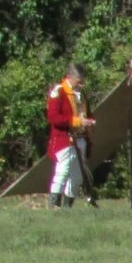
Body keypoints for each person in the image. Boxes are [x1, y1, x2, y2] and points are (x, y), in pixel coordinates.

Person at [45, 65, 93, 208]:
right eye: (79, 80)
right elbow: (53, 117)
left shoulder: (81, 93)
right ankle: (54, 204)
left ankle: (67, 207)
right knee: (63, 170)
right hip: (64, 138)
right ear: (70, 77)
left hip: (81, 138)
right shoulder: (59, 92)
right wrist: (77, 121)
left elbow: (87, 112)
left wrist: (90, 120)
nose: (82, 83)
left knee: (77, 175)